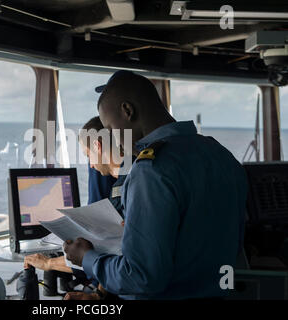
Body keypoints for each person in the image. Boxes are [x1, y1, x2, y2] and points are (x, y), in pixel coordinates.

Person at [64, 70, 248, 300]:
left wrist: (87, 259)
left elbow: (142, 277)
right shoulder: (221, 155)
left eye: (110, 129)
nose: (115, 141)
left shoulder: (151, 170)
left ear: (127, 111)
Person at [24, 116, 129, 299]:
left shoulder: (127, 187)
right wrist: (98, 295)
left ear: (98, 146)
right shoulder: (124, 181)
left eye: (88, 155)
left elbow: (113, 251)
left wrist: (49, 264)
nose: (91, 165)